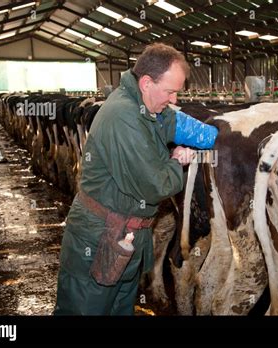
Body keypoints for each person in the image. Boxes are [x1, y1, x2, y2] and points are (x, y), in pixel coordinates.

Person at [54, 43, 218, 315]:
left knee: (120, 310)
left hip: (125, 237)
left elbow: (174, 123)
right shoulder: (123, 116)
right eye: (171, 91)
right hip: (98, 242)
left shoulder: (147, 108)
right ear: (146, 82)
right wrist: (176, 161)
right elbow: (154, 186)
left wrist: (220, 133)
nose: (174, 100)